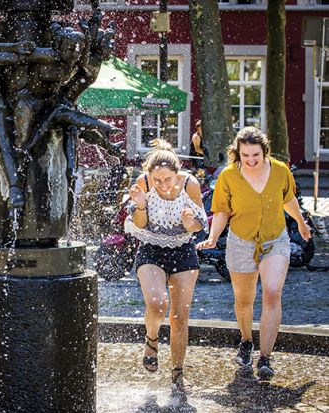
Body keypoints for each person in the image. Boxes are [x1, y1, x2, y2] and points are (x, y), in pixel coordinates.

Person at [197, 126, 311, 381]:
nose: (250, 161)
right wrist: (213, 237)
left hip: (274, 240)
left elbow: (288, 199)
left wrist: (302, 224)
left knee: (272, 292)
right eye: (245, 155)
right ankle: (247, 339)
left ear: (265, 151)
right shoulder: (228, 176)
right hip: (241, 242)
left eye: (255, 156)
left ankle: (265, 357)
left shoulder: (280, 171)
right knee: (244, 300)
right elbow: (222, 211)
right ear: (237, 153)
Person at [124, 139, 207, 392]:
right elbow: (138, 224)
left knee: (180, 316)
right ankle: (151, 339)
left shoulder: (189, 184)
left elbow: (200, 227)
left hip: (183, 250)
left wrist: (189, 221)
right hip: (151, 247)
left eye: (167, 179)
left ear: (177, 172)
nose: (163, 185)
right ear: (149, 175)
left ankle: (177, 375)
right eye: (157, 180)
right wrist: (140, 205)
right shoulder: (142, 184)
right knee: (158, 304)